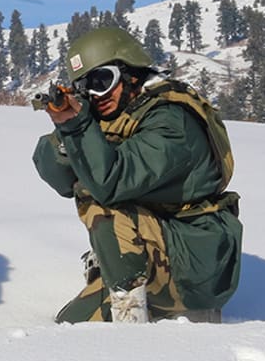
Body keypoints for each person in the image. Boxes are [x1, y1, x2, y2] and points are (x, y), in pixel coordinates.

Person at [32, 26, 242, 323]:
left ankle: (137, 332)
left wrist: (79, 129)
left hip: (197, 265)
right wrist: (69, 125)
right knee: (69, 325)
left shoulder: (172, 122)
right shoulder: (116, 117)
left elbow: (110, 182)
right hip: (169, 250)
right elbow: (55, 173)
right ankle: (131, 294)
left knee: (101, 200)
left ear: (130, 72)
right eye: (85, 87)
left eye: (102, 81)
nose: (95, 94)